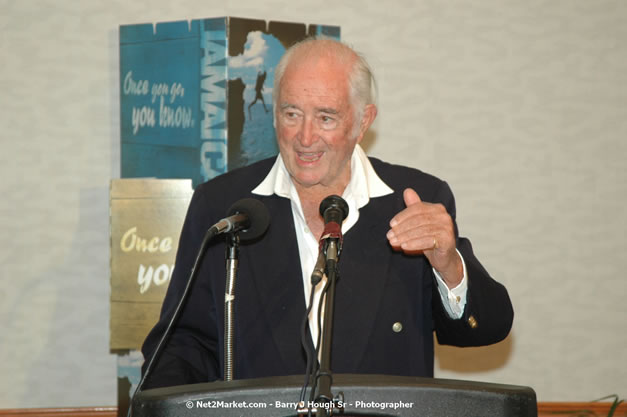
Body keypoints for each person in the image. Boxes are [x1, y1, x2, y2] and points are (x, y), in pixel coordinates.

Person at [141, 38, 513, 389]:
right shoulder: (223, 204)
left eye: (326, 118)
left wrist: (448, 264)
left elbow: (485, 328)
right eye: (291, 114)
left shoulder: (414, 200)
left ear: (363, 121)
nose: (304, 137)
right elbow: (182, 343)